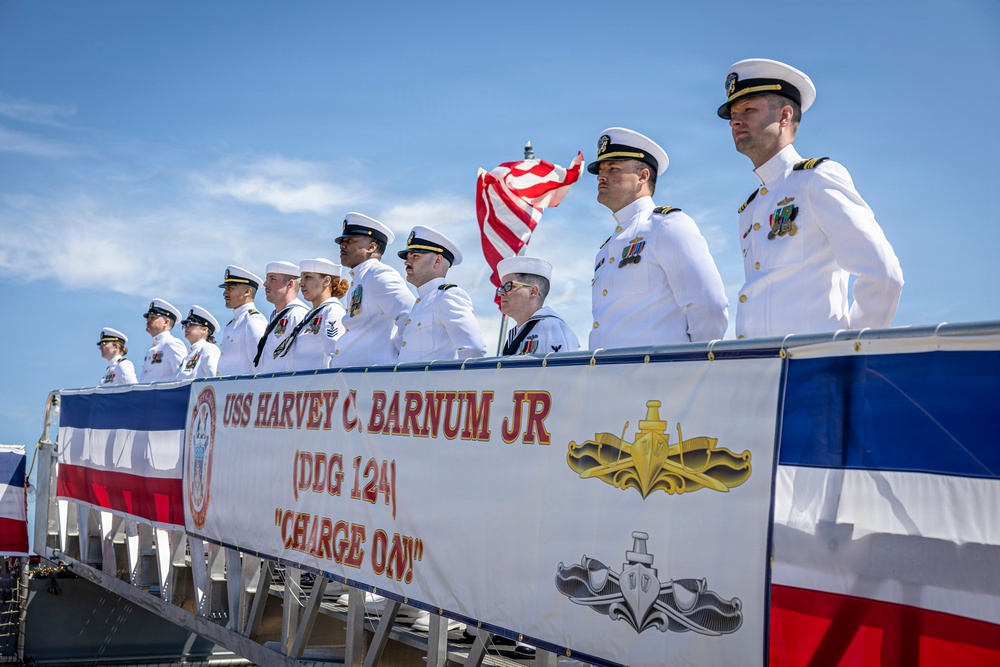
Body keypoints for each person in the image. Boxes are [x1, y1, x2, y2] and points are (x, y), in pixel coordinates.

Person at [719, 58, 904, 339]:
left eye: (748, 109)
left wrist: (854, 352)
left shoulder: (816, 178)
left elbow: (883, 273)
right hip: (761, 371)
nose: (735, 119)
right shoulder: (750, 209)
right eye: (733, 113)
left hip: (814, 368)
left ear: (784, 116)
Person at [588, 127, 728, 350]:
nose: (601, 176)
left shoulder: (667, 225)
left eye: (613, 168)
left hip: (660, 378)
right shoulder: (605, 249)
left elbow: (709, 304)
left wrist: (694, 365)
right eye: (601, 170)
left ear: (643, 176)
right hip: (609, 378)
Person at [330, 212, 414, 368]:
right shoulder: (360, 278)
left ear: (372, 247)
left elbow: (409, 316)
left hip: (371, 378)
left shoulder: (378, 274)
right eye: (342, 241)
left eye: (350, 240)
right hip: (353, 379)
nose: (342, 245)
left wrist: (392, 355)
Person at [396, 225, 486, 363]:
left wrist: (456, 384)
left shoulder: (448, 296)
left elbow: (473, 349)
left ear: (437, 261)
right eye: (407, 257)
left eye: (415, 256)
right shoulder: (421, 303)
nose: (407, 262)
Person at [497, 256, 580, 356]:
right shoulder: (515, 334)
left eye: (508, 286)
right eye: (501, 288)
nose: (501, 293)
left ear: (533, 291)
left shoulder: (552, 327)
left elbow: (566, 370)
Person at [278, 258, 348, 372]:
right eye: (302, 278)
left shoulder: (332, 310)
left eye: (308, 277)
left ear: (326, 281)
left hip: (320, 385)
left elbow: (335, 352)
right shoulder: (311, 315)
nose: (301, 284)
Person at [254, 261, 309, 374]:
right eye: (267, 279)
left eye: (272, 279)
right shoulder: (277, 315)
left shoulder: (298, 315)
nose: (265, 284)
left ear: (290, 284)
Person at [217, 265, 268, 376]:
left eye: (230, 288)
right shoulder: (232, 324)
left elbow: (260, 368)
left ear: (247, 292)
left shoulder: (253, 320)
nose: (225, 293)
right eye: (225, 289)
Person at [140, 299, 187, 382]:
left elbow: (181, 378)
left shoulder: (172, 343)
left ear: (166, 322)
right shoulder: (153, 348)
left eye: (152, 317)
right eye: (147, 317)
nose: (148, 320)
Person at [175, 306, 222, 380]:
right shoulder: (189, 355)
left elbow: (213, 379)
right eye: (185, 324)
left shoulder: (209, 349)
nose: (185, 327)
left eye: (190, 324)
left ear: (204, 329)